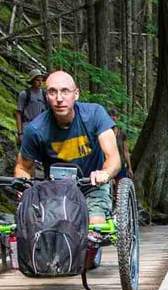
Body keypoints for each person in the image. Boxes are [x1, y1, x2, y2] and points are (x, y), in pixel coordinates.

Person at [15, 71, 121, 228]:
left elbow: (113, 158)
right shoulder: (36, 129)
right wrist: (24, 189)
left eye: (65, 91)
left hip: (93, 185)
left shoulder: (94, 114)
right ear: (46, 97)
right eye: (52, 92)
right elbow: (23, 167)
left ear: (76, 94)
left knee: (95, 227)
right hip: (55, 190)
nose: (59, 98)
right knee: (50, 229)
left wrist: (104, 173)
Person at [15, 73, 47, 145]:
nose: (40, 83)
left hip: (41, 129)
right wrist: (20, 133)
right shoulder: (24, 94)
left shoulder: (45, 95)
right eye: (37, 80)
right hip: (27, 127)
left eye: (41, 81)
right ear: (32, 81)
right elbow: (18, 113)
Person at [108, 109, 134, 179]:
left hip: (120, 165)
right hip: (108, 166)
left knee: (121, 187)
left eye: (114, 116)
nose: (112, 118)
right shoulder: (104, 133)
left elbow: (125, 151)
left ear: (117, 118)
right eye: (110, 116)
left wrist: (129, 167)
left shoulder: (122, 134)